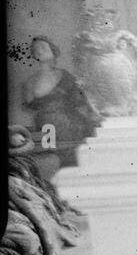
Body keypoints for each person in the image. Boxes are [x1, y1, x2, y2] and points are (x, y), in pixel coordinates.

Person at [21, 36, 99, 168]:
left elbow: (80, 101)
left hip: (70, 126)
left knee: (75, 162)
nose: (39, 50)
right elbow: (29, 104)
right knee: (52, 161)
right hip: (46, 128)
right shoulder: (30, 82)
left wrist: (93, 115)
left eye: (43, 47)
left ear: (53, 51)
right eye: (36, 49)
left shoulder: (65, 76)